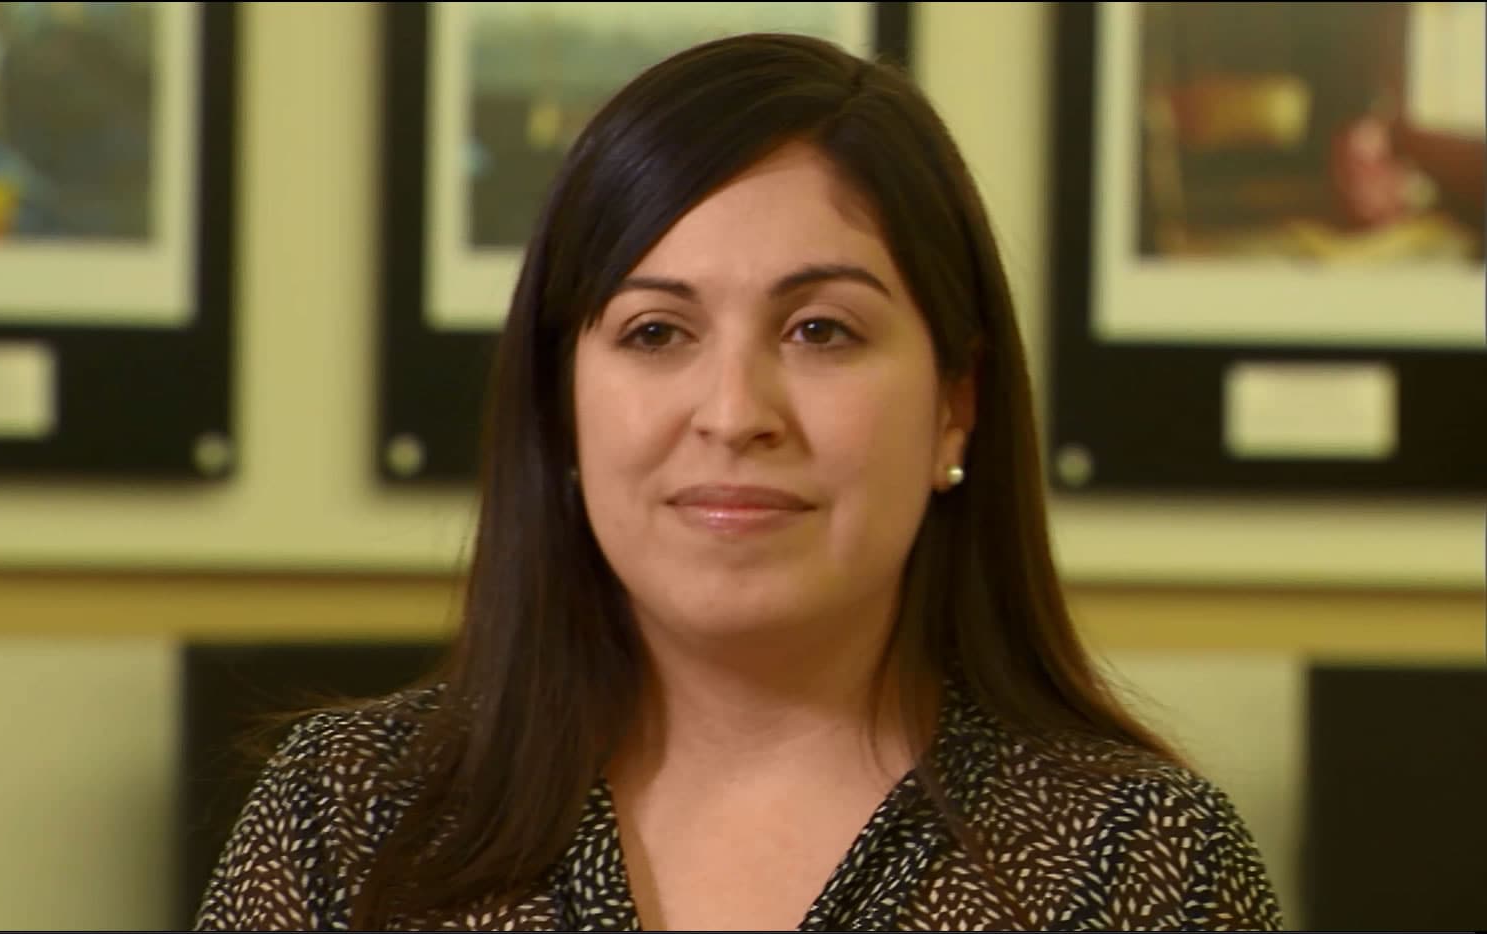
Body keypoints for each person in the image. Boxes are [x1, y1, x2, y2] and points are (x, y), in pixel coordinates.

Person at [194, 33, 1283, 932]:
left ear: (954, 402)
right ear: (560, 400)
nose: (732, 412)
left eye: (819, 329)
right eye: (656, 330)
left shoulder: (1134, 860)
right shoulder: (350, 815)